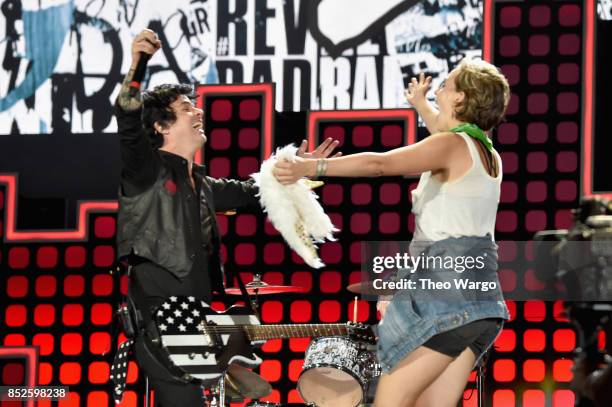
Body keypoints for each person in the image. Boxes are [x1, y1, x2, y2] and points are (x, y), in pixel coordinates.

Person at [115, 29, 340, 406]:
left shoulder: (204, 185)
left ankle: (232, 373)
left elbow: (260, 192)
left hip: (197, 317)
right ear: (161, 126)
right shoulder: (145, 172)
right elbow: (126, 112)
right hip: (161, 320)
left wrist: (305, 170)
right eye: (187, 108)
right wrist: (138, 62)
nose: (198, 111)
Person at [274, 59, 511, 407]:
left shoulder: (452, 145)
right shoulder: (486, 154)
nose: (439, 90)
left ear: (460, 100)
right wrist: (421, 104)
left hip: (445, 296)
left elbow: (379, 164)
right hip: (479, 301)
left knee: (390, 402)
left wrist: (310, 166)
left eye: (446, 86)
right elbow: (440, 131)